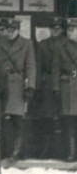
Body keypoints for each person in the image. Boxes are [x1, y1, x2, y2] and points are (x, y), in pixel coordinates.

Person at [0, 19, 36, 161]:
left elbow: (30, 66)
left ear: (18, 30)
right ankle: (0, 152)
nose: (9, 33)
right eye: (8, 30)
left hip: (18, 85)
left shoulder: (27, 44)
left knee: (18, 121)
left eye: (12, 30)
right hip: (2, 84)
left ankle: (16, 152)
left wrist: (30, 86)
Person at [33, 17, 64, 158]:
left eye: (57, 28)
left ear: (62, 29)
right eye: (53, 28)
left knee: (64, 117)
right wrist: (37, 87)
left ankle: (62, 151)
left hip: (65, 84)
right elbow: (38, 67)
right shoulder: (43, 45)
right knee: (47, 118)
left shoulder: (68, 44)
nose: (55, 30)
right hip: (47, 85)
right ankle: (45, 150)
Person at [52, 18, 77, 161]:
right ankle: (71, 152)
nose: (71, 32)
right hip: (67, 86)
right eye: (69, 29)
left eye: (74, 29)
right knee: (69, 121)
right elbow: (56, 68)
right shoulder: (61, 46)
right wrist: (56, 88)